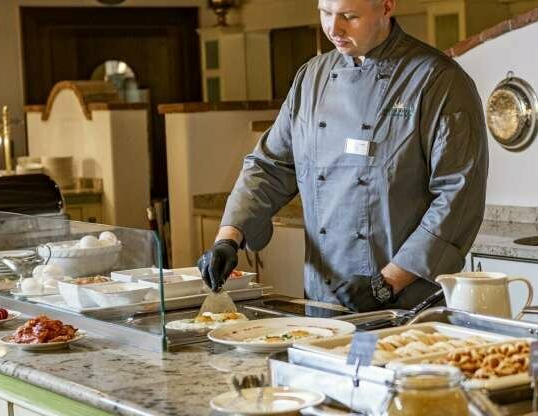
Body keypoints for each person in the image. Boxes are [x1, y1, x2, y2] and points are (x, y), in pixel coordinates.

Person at [199, 0, 488, 312]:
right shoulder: (311, 79)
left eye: (349, 17)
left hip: (405, 304)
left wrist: (387, 282)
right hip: (322, 301)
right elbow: (270, 165)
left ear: (387, 6)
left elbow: (457, 194)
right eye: (325, 13)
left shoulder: (437, 81)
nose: (333, 29)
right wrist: (229, 236)